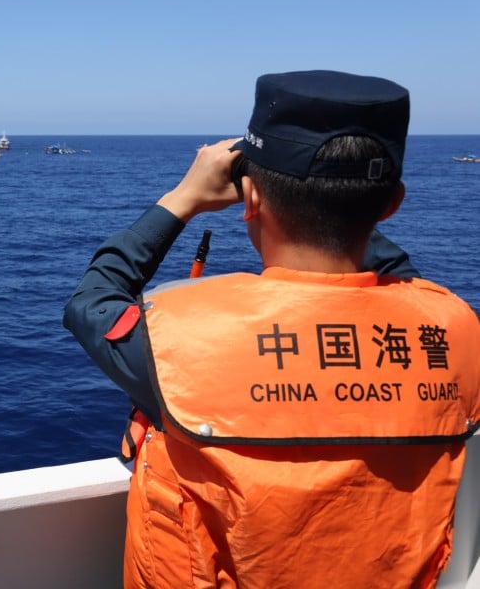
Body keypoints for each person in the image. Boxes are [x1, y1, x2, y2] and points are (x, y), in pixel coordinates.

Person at [64, 70, 480, 588]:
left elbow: (92, 302)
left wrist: (183, 198)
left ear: (251, 199)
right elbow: (402, 279)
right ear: (392, 205)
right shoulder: (456, 333)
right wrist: (347, 203)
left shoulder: (179, 341)